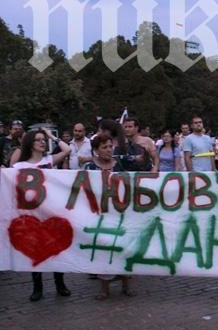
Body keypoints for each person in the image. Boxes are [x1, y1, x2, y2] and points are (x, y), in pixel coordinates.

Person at [13, 129, 72, 301]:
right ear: (30, 143)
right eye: (38, 140)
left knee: (55, 248)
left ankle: (60, 284)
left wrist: (53, 135)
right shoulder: (19, 167)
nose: (42, 142)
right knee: (34, 249)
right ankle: (37, 287)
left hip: (51, 213)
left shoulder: (49, 161)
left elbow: (67, 150)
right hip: (31, 215)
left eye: (43, 140)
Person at [84, 133, 134, 300]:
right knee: (103, 251)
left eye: (110, 146)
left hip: (120, 214)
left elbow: (129, 185)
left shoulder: (119, 165)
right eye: (104, 147)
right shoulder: (90, 168)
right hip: (100, 215)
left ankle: (126, 285)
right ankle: (104, 289)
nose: (108, 150)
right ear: (96, 150)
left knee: (123, 249)